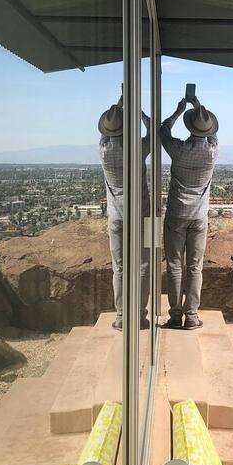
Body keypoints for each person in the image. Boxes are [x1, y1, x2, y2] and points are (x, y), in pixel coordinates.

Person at [160, 96, 219, 329]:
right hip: (199, 216)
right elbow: (213, 133)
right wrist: (198, 107)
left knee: (174, 265)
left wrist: (178, 111)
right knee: (195, 266)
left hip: (176, 214)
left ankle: (175, 316)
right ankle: (192, 316)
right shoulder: (212, 152)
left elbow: (162, 130)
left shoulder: (178, 149)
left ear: (188, 127)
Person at [98, 99, 151, 330]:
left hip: (117, 217)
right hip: (142, 216)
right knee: (143, 264)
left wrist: (120, 107)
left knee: (119, 267)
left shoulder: (103, 151)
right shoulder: (138, 148)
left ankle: (121, 317)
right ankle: (139, 315)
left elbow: (104, 135)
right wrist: (137, 111)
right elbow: (154, 131)